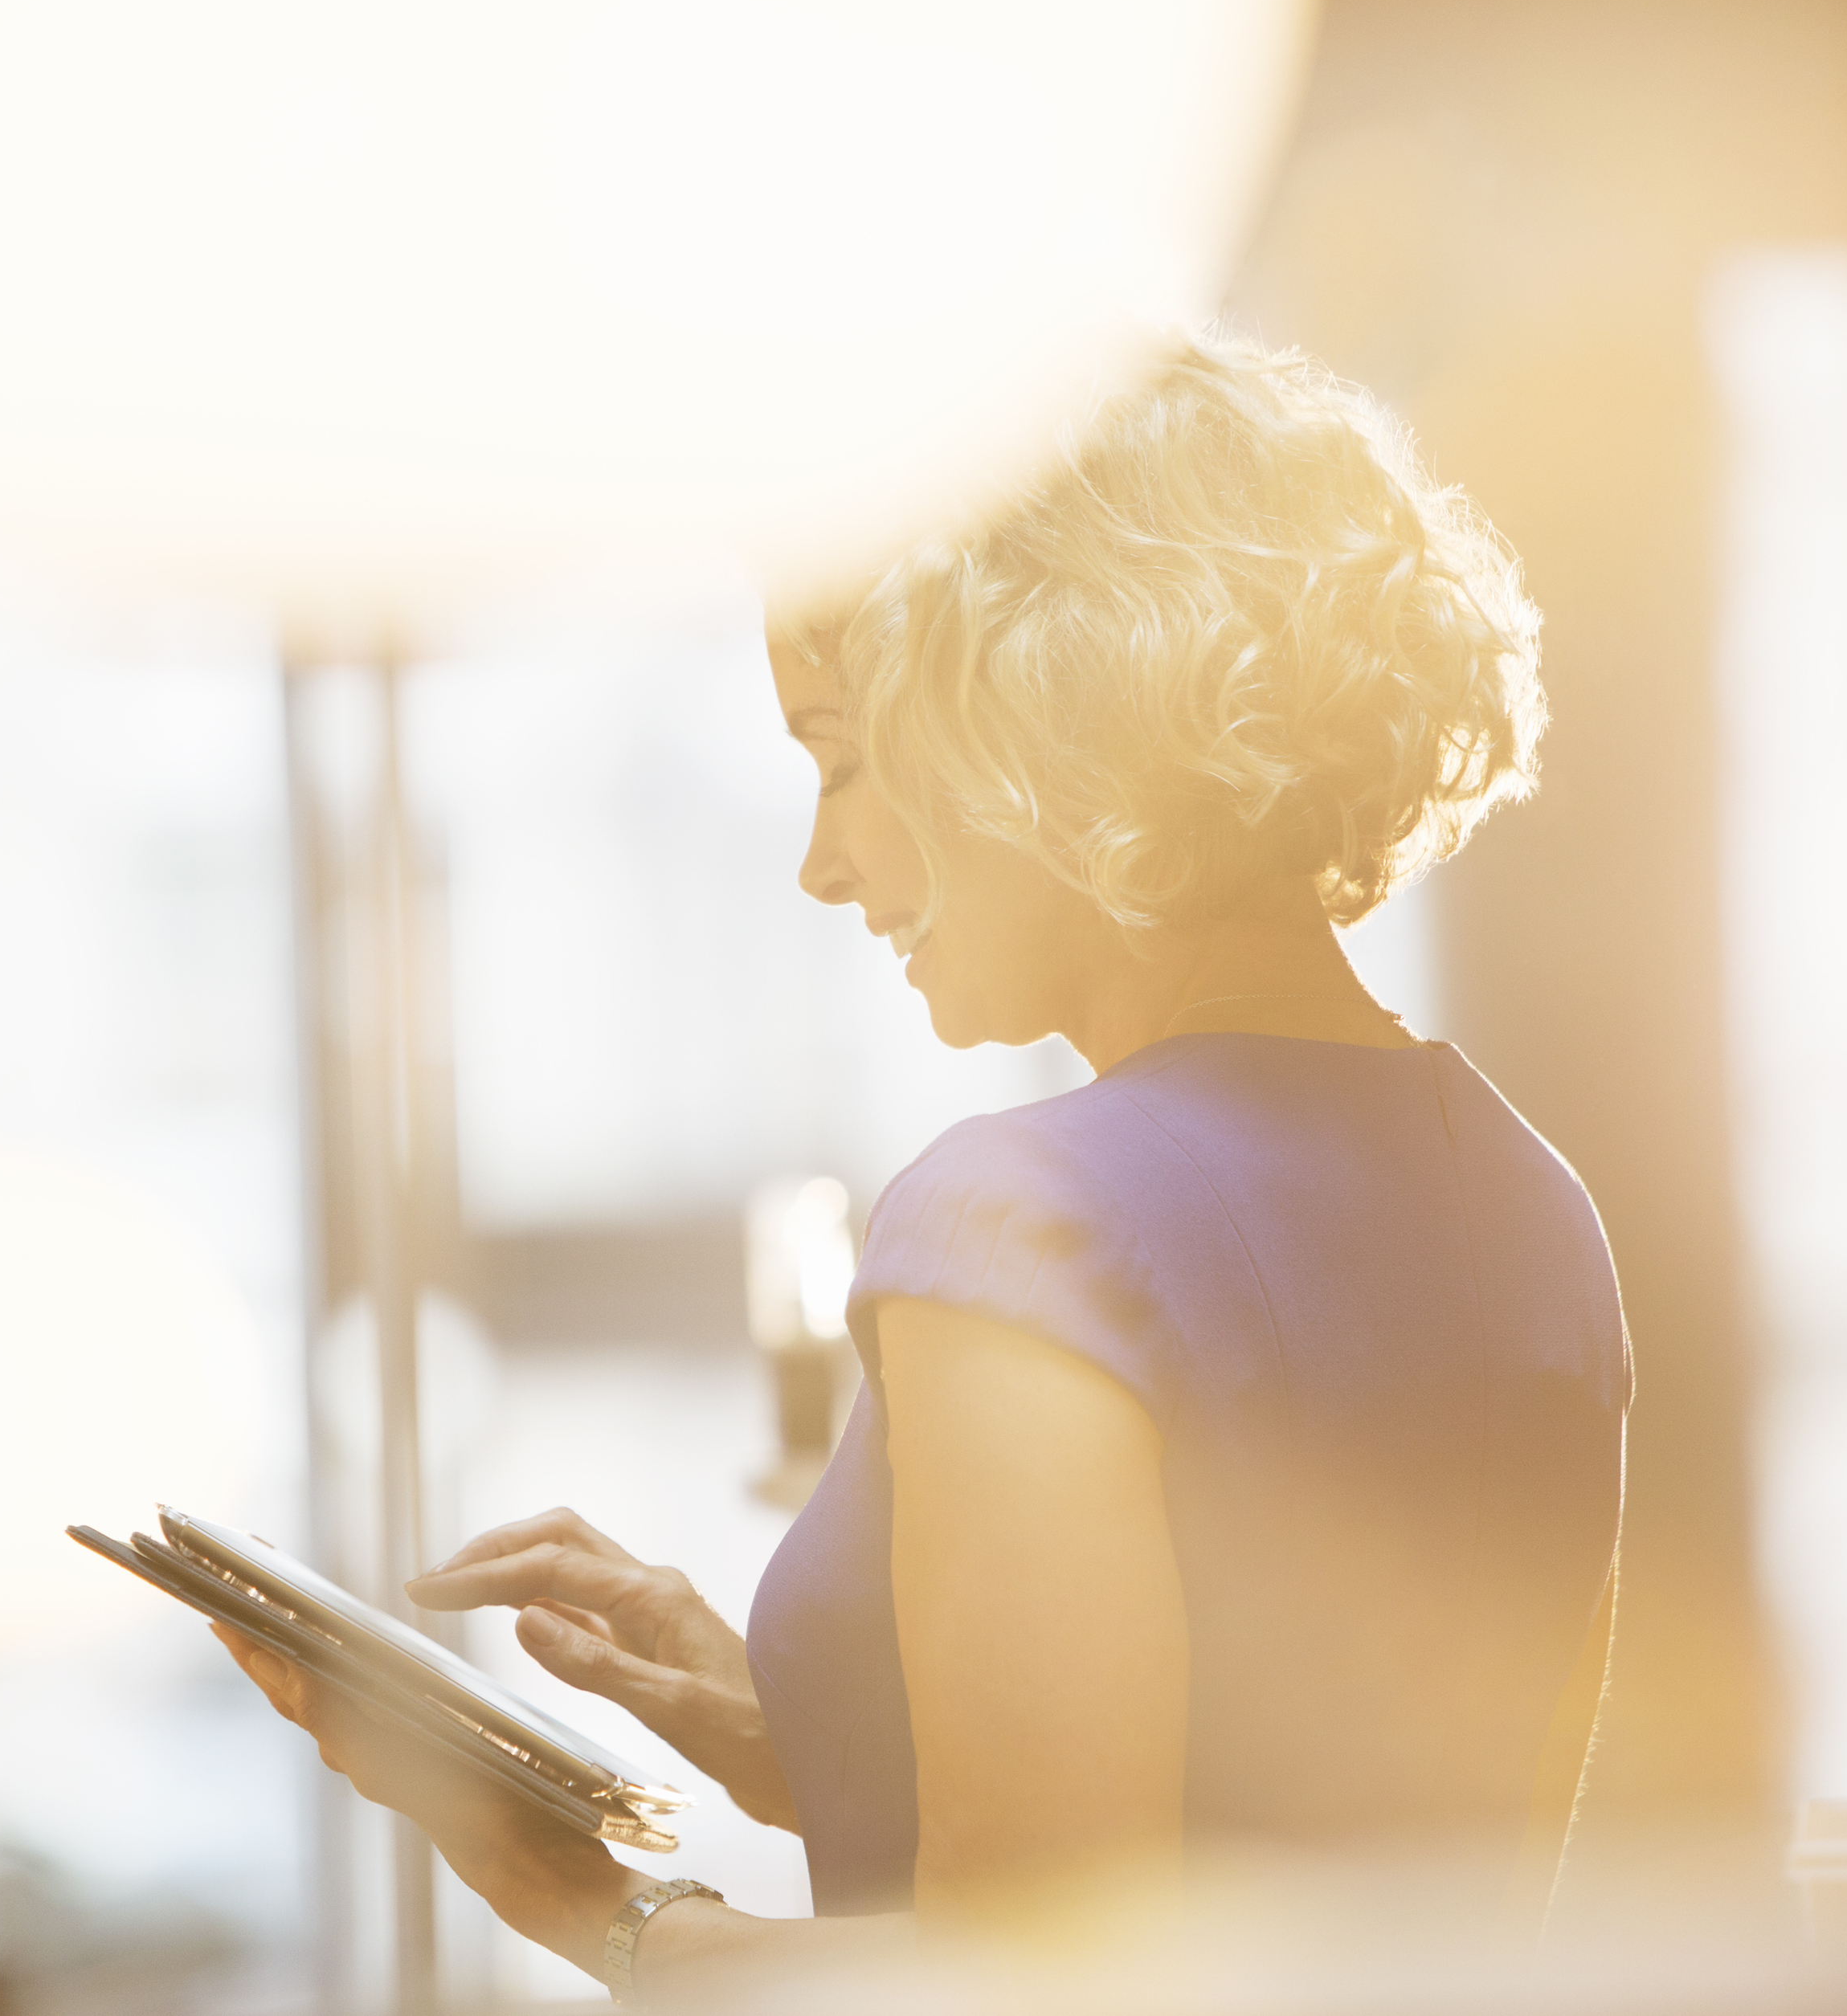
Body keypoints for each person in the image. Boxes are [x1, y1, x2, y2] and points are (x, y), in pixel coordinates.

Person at [215, 333, 1630, 1998]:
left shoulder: (1025, 1218)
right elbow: (1289, 1840)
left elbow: (1018, 1990)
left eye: (839, 758)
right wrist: (784, 1720)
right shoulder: (1532, 1200)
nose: (824, 864)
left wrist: (573, 1892)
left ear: (1031, 711)